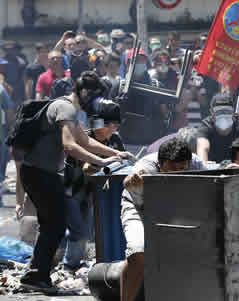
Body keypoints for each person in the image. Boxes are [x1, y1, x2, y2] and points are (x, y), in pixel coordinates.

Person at [18, 71, 134, 292]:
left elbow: (84, 140)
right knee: (56, 225)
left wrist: (115, 154)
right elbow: (70, 145)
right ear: (84, 92)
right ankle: (36, 277)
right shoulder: (65, 108)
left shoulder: (71, 112)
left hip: (43, 173)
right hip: (39, 173)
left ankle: (36, 274)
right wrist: (100, 160)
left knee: (52, 225)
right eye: (96, 97)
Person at [120, 138, 205, 301]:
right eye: (172, 168)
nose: (177, 173)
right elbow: (127, 182)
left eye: (182, 168)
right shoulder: (145, 167)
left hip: (172, 208)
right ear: (160, 163)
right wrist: (133, 181)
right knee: (138, 252)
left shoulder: (196, 164)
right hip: (139, 206)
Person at [61, 100, 125, 271]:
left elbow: (121, 163)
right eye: (99, 123)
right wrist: (104, 163)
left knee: (85, 231)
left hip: (94, 193)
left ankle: (68, 262)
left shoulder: (115, 141)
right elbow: (86, 168)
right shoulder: (84, 138)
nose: (101, 128)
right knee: (79, 231)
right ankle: (68, 266)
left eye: (112, 125)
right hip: (73, 190)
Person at [197, 93, 239, 163]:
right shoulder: (206, 125)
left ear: (233, 112)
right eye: (219, 112)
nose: (223, 115)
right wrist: (204, 164)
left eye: (227, 111)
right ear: (212, 113)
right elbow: (202, 147)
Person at [2, 40, 28, 105]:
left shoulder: (22, 60)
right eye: (8, 49)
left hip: (19, 90)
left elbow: (25, 77)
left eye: (12, 49)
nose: (10, 51)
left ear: (17, 50)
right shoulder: (2, 61)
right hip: (6, 88)